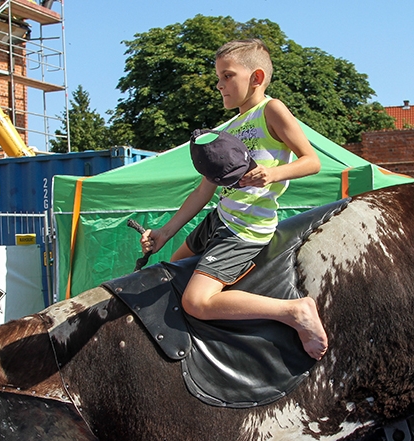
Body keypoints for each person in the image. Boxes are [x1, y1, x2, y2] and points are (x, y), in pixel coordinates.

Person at [140, 39, 327, 360]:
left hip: (246, 228)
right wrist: (164, 233)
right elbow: (204, 190)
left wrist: (273, 174)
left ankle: (294, 311)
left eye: (227, 76)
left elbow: (312, 160)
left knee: (195, 301)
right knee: (171, 268)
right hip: (220, 219)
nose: (219, 84)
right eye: (219, 77)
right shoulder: (229, 128)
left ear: (256, 78)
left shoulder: (272, 109)